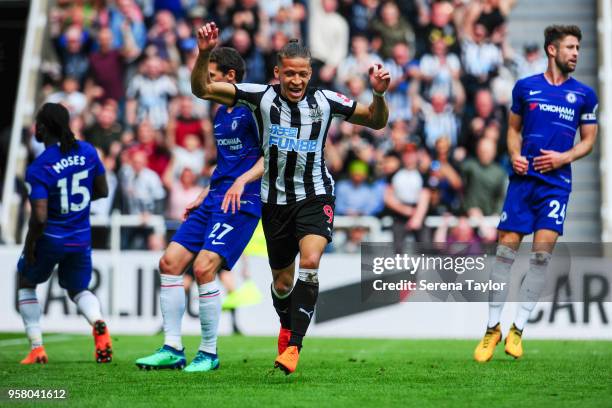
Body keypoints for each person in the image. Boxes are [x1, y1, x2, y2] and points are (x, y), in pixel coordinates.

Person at [191, 21, 390, 374]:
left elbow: (376, 121)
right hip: (274, 201)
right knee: (282, 284)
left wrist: (378, 94)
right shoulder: (258, 97)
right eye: (290, 74)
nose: (296, 81)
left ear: (310, 73)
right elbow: (204, 89)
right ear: (278, 73)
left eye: (303, 74)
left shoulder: (327, 100)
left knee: (310, 262)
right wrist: (205, 52)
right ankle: (287, 325)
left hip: (315, 195)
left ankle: (294, 347)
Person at [135, 46, 264, 373]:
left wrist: (241, 182)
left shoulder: (254, 110)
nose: (207, 84)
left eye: (212, 76)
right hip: (214, 198)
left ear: (230, 78)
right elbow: (226, 164)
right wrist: (203, 193)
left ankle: (209, 352)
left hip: (242, 201)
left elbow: (271, 156)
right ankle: (173, 348)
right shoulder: (220, 114)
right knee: (169, 262)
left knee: (205, 268)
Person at [474, 25, 598, 362]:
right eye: (570, 47)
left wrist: (564, 157)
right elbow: (513, 131)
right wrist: (514, 154)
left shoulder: (584, 94)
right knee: (504, 254)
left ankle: (518, 330)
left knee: (541, 255)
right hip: (523, 181)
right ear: (552, 50)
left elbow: (589, 140)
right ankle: (491, 328)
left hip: (557, 185)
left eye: (578, 47)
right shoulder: (526, 88)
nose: (576, 53)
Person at [17, 103, 112, 364]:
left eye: (38, 123)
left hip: (51, 238)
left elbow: (39, 217)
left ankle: (37, 348)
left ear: (43, 128)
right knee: (79, 288)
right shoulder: (88, 151)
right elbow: (102, 191)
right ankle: (97, 321)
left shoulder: (40, 167)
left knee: (26, 283)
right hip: (81, 236)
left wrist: (29, 245)